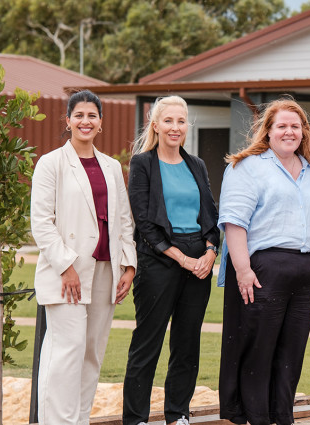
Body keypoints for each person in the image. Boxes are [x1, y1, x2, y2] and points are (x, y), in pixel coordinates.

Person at [31, 89, 137, 425]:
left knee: (92, 353)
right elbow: (41, 223)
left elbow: (123, 221)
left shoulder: (111, 166)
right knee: (67, 352)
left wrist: (129, 266)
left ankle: (79, 420)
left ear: (101, 122)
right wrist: (66, 266)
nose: (85, 121)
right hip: (68, 274)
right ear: (68, 120)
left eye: (92, 115)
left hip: (106, 271)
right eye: (79, 115)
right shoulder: (51, 164)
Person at [217, 98, 310, 425]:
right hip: (263, 269)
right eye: (282, 126)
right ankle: (255, 416)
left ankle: (282, 415)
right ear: (269, 131)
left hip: (303, 270)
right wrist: (243, 271)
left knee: (291, 351)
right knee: (258, 350)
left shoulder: (309, 171)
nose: (289, 132)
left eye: (296, 126)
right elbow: (234, 222)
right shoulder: (248, 166)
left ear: (304, 132)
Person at [122, 96, 220, 425]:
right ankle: (135, 418)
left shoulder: (197, 165)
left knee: (187, 343)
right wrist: (182, 258)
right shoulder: (143, 163)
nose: (175, 127)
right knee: (148, 343)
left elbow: (210, 214)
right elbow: (145, 222)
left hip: (199, 261)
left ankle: (178, 415)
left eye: (181, 121)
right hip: (159, 260)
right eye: (168, 121)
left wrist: (209, 252)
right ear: (155, 125)